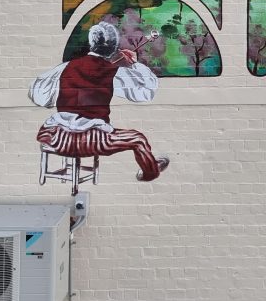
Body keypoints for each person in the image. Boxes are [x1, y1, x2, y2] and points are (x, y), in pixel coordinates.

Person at [29, 21, 170, 182]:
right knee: (138, 139)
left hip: (57, 137)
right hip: (92, 141)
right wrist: (133, 65)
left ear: (92, 44)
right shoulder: (114, 71)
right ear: (114, 47)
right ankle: (150, 172)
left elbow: (37, 95)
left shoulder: (66, 67)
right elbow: (146, 92)